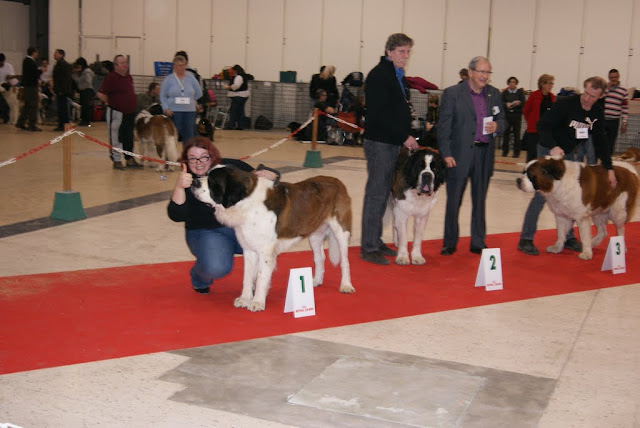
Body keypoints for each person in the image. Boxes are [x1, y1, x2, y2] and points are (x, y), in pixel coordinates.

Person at [167, 136, 279, 294]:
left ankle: (255, 284)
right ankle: (199, 276)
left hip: (238, 228)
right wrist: (179, 187)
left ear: (212, 156)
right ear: (185, 161)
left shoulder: (229, 168)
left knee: (266, 247)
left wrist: (273, 175)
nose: (198, 162)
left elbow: (261, 176)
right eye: (193, 159)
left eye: (203, 157)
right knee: (216, 267)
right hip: (205, 232)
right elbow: (176, 215)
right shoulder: (188, 181)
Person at [518, 76, 614, 256]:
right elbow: (543, 125)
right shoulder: (566, 104)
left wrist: (609, 168)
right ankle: (526, 238)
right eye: (586, 93)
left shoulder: (597, 113)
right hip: (549, 147)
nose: (587, 98)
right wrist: (553, 145)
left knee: (569, 196)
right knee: (542, 194)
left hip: (568, 152)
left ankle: (568, 237)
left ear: (600, 97)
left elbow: (601, 140)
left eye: (592, 96)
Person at [360, 33, 420, 265]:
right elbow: (378, 116)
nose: (405, 56)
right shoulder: (379, 76)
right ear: (390, 52)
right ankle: (369, 247)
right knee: (376, 194)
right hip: (380, 143)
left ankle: (375, 239)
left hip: (392, 143)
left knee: (385, 193)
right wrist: (404, 136)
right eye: (402, 51)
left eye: (408, 52)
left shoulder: (396, 75)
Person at [438, 56, 507, 255]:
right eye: (481, 72)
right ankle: (449, 241)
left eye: (488, 72)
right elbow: (444, 126)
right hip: (458, 155)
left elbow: (503, 119)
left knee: (480, 200)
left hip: (484, 154)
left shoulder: (494, 94)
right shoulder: (453, 93)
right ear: (470, 72)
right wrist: (446, 153)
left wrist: (498, 126)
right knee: (454, 200)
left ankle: (478, 241)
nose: (485, 76)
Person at [97, 54, 142, 169]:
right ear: (116, 66)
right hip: (117, 112)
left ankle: (129, 158)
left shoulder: (129, 77)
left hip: (130, 112)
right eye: (122, 63)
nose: (125, 65)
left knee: (128, 136)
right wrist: (113, 103)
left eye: (126, 63)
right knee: (115, 136)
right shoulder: (111, 77)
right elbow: (101, 94)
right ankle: (116, 160)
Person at [160, 55, 202, 143]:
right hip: (173, 112)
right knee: (171, 137)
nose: (181, 67)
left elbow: (199, 93)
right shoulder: (168, 79)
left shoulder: (191, 78)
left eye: (183, 65)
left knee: (189, 137)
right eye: (179, 65)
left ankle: (187, 156)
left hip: (189, 112)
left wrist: (191, 100)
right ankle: (169, 157)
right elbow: (162, 95)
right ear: (174, 67)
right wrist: (165, 108)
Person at [522, 74, 555, 162]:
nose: (551, 86)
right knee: (532, 155)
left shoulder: (552, 97)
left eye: (552, 84)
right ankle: (528, 173)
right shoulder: (534, 95)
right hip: (534, 130)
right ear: (542, 84)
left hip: (546, 131)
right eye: (549, 83)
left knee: (544, 156)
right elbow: (526, 111)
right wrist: (531, 122)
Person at [602, 68, 628, 157]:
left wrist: (624, 122)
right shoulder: (604, 88)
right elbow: (599, 100)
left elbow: (625, 107)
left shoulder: (623, 90)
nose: (613, 79)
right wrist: (606, 90)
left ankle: (608, 161)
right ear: (608, 77)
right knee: (601, 140)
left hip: (614, 120)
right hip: (603, 119)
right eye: (611, 77)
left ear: (618, 77)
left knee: (611, 142)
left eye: (615, 77)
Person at [16, 47, 41, 132]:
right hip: (31, 87)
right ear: (33, 53)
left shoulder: (26, 61)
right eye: (36, 52)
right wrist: (40, 71)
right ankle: (32, 124)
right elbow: (33, 73)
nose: (37, 54)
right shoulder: (29, 61)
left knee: (27, 105)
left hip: (28, 86)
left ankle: (20, 122)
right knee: (33, 105)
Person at [501, 76, 525, 157]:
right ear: (508, 83)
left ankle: (516, 152)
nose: (512, 84)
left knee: (516, 134)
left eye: (514, 82)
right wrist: (506, 104)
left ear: (516, 83)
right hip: (507, 115)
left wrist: (519, 103)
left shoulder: (520, 92)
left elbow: (524, 102)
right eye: (511, 82)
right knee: (506, 134)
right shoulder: (504, 93)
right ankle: (505, 151)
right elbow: (500, 103)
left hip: (516, 115)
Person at [52, 49, 73, 131]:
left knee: (63, 108)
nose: (54, 54)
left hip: (62, 90)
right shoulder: (59, 64)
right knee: (61, 108)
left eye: (56, 53)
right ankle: (62, 124)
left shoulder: (63, 65)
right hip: (59, 89)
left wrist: (62, 90)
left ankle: (64, 125)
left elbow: (64, 79)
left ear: (61, 55)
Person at [224, 64, 250, 130]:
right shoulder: (243, 75)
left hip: (238, 96)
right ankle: (240, 126)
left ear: (235, 70)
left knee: (233, 111)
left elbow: (236, 86)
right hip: (244, 95)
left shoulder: (238, 77)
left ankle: (231, 125)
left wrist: (228, 87)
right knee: (240, 111)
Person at [72, 57, 95, 127]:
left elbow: (88, 81)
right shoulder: (84, 71)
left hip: (86, 90)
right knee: (84, 105)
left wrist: (77, 77)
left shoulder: (86, 72)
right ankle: (84, 120)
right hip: (84, 90)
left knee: (86, 106)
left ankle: (86, 121)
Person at [0, 53, 17, 124]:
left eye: (2, 62)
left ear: (4, 61)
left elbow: (13, 76)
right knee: (4, 103)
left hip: (7, 88)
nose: (1, 64)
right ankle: (6, 118)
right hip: (0, 87)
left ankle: (9, 119)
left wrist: (9, 77)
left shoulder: (9, 66)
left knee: (11, 105)